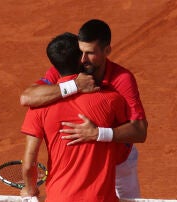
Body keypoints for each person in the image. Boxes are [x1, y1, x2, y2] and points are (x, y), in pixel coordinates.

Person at [20, 19, 148, 198]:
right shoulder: (66, 69)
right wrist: (74, 85)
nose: (82, 59)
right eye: (80, 52)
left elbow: (140, 131)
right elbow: (27, 97)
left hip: (119, 161)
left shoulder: (122, 79)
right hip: (88, 166)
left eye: (89, 53)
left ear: (107, 51)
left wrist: (98, 134)